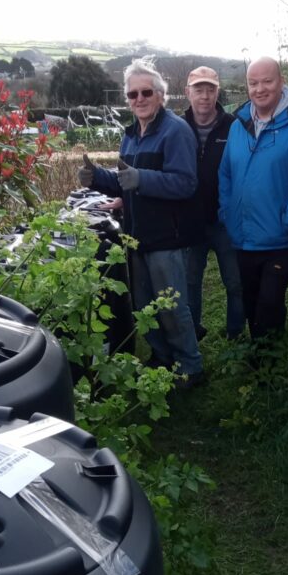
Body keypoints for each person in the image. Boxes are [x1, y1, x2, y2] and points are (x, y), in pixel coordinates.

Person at [78, 57, 204, 386]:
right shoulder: (132, 134)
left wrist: (142, 179)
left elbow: (186, 183)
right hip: (136, 237)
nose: (139, 99)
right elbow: (125, 181)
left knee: (172, 308)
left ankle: (190, 366)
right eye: (132, 95)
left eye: (146, 92)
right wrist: (95, 178)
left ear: (161, 95)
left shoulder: (175, 131)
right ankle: (162, 358)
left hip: (166, 237)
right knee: (146, 307)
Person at [218, 56, 288, 340]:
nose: (260, 89)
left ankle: (268, 364)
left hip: (279, 237)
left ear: (281, 82)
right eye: (253, 83)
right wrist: (227, 212)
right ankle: (263, 355)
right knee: (250, 300)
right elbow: (225, 174)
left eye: (267, 81)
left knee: (269, 303)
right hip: (244, 236)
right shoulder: (239, 125)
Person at [182, 65, 244, 341]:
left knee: (234, 281)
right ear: (188, 93)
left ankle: (235, 332)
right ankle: (193, 331)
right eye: (199, 90)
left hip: (224, 220)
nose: (205, 96)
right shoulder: (177, 127)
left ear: (218, 92)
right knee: (191, 281)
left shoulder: (234, 126)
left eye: (210, 90)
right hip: (191, 220)